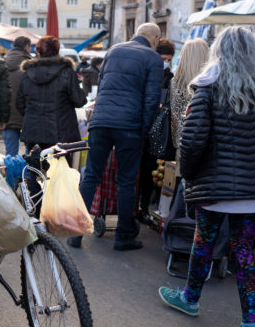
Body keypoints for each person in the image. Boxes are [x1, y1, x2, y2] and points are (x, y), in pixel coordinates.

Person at [157, 26, 255, 327]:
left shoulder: (208, 86)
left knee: (202, 241)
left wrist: (190, 176)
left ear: (218, 51)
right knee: (245, 255)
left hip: (213, 188)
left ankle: (190, 298)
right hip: (254, 191)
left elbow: (191, 142)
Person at [70, 23, 164, 251]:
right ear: (155, 38)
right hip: (129, 125)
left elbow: (102, 88)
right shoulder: (153, 58)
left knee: (91, 175)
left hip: (101, 121)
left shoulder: (112, 51)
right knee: (127, 182)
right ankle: (123, 236)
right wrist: (142, 129)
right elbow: (152, 99)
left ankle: (76, 233)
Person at [17, 35, 85, 156]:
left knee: (35, 168)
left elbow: (19, 103)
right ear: (57, 51)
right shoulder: (67, 72)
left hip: (33, 130)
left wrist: (33, 113)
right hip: (61, 132)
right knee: (60, 171)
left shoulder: (27, 73)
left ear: (38, 51)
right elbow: (79, 100)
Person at [137, 38, 176, 225]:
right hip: (142, 128)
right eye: (163, 58)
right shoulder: (145, 74)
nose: (165, 62)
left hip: (158, 132)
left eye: (168, 59)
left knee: (149, 172)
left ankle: (143, 208)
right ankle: (136, 208)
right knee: (139, 171)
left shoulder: (170, 79)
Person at [169, 38, 211, 168]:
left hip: (183, 144)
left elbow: (175, 117)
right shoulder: (210, 83)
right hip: (208, 144)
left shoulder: (175, 82)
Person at [2, 35, 32, 156]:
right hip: (27, 111)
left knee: (10, 152)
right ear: (26, 46)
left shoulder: (3, 62)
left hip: (7, 111)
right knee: (31, 151)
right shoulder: (30, 63)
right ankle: (29, 173)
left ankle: (11, 174)